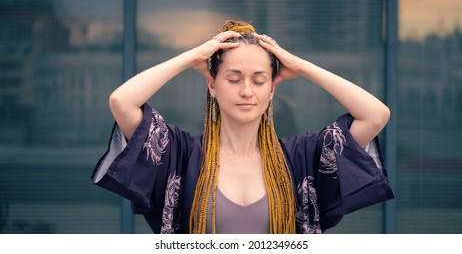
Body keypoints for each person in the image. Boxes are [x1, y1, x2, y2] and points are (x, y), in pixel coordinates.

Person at [91, 20, 394, 234]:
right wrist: (191, 57)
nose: (247, 91)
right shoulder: (179, 154)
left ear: (272, 89)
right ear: (212, 85)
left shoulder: (303, 157)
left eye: (259, 80)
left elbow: (375, 115)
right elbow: (122, 101)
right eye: (234, 79)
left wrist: (301, 66)